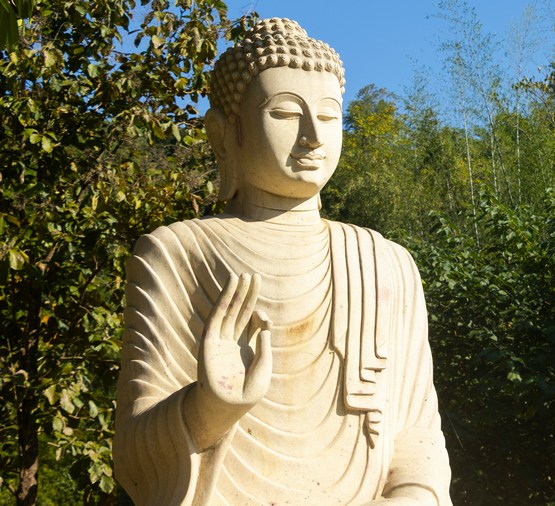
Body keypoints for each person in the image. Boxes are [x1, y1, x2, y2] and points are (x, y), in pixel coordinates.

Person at [113, 18, 452, 505]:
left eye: (329, 116)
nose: (313, 135)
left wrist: (412, 496)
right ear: (224, 134)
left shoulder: (386, 263)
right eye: (286, 113)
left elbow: (417, 437)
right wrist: (209, 407)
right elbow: (132, 458)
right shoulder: (176, 253)